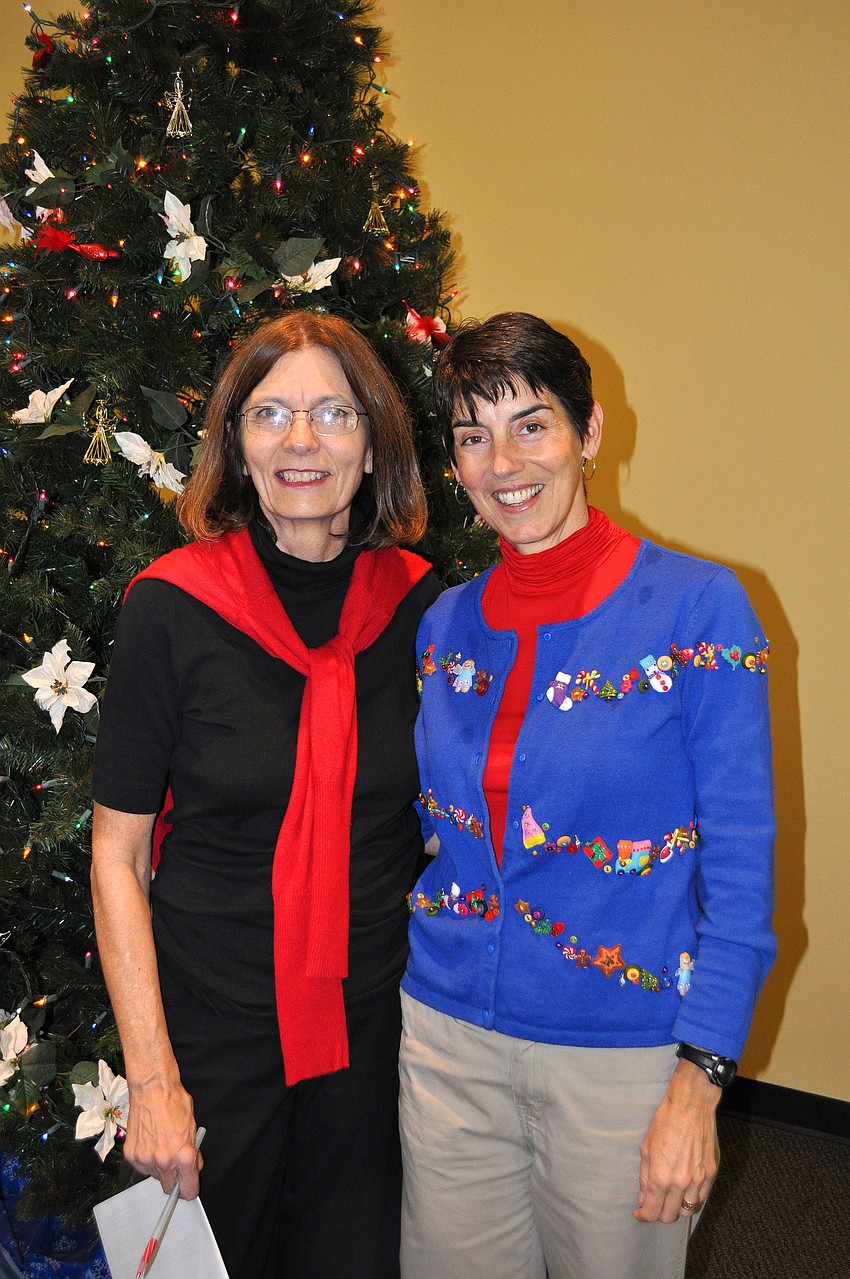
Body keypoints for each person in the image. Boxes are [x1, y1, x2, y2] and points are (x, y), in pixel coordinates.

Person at [399, 312, 775, 1279]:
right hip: (447, 1046)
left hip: (623, 1059)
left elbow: (741, 871)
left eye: (532, 425)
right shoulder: (443, 627)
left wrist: (700, 1082)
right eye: (473, 437)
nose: (502, 462)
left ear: (590, 433)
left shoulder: (698, 608)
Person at [90, 311, 440, 1279]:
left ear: (373, 445)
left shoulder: (419, 605)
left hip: (372, 1023)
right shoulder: (171, 605)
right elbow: (118, 854)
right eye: (270, 413)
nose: (300, 440)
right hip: (213, 1031)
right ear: (236, 447)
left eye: (333, 412)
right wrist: (154, 1081)